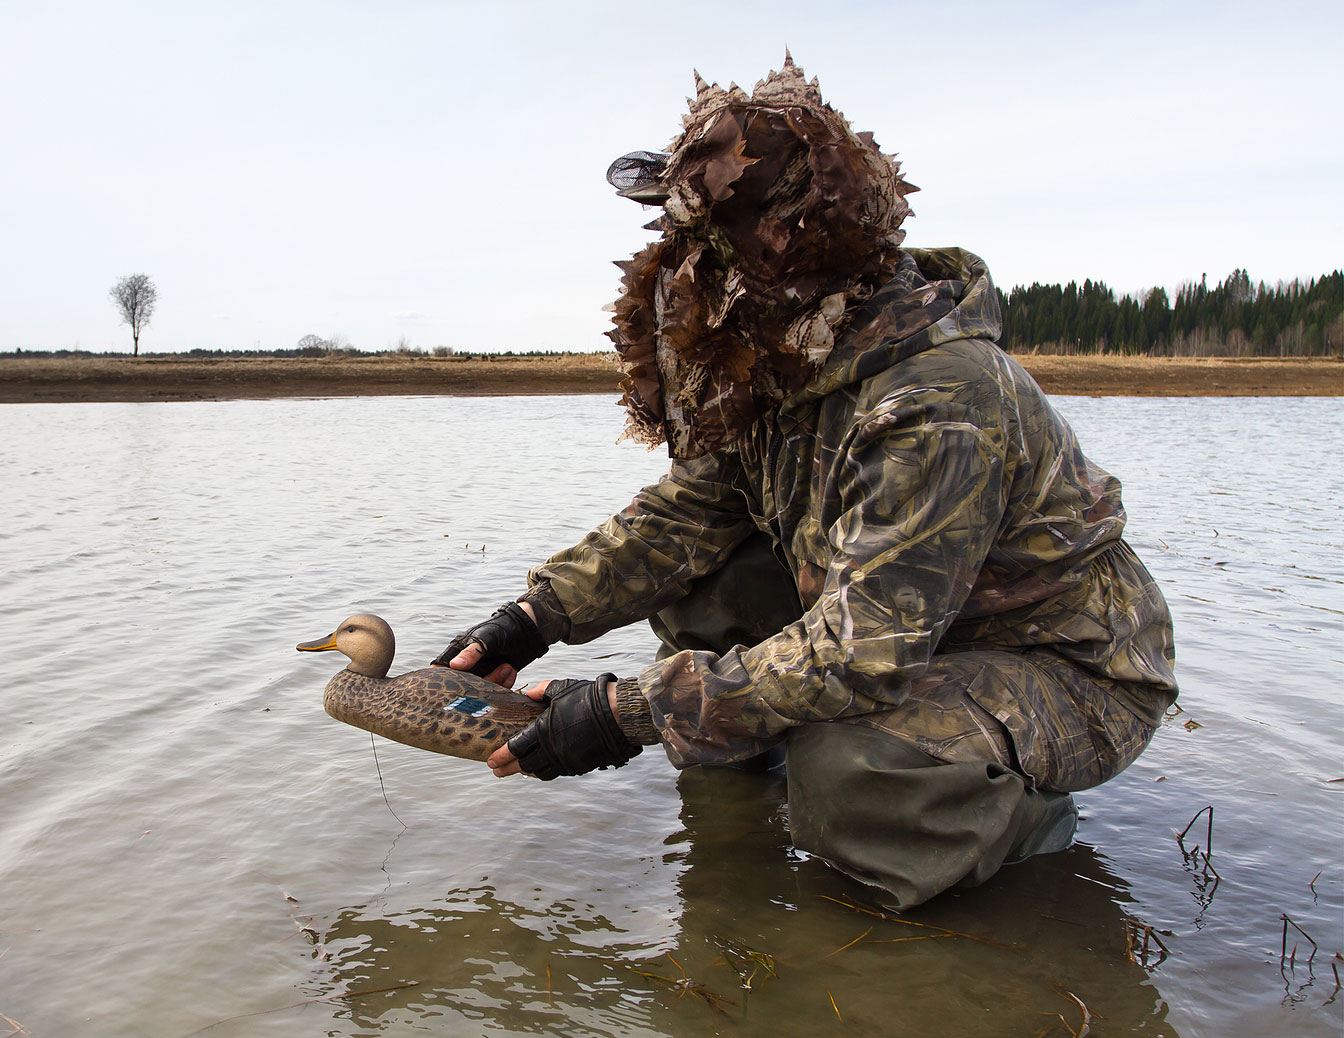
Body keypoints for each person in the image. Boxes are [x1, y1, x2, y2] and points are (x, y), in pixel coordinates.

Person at [434, 57, 1177, 910]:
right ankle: (751, 774)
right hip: (910, 629)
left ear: (784, 242)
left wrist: (626, 712)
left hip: (1065, 666)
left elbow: (864, 650)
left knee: (848, 772)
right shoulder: (782, 357)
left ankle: (1014, 823)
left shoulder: (939, 401)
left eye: (701, 245)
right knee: (703, 577)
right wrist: (535, 616)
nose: (677, 269)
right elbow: (683, 517)